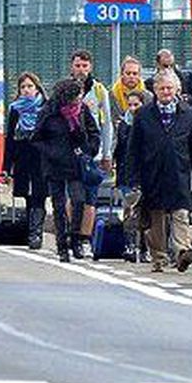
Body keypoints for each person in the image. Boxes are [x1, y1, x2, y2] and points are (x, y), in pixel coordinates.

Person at [126, 69, 192, 273]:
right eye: (162, 88)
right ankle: (159, 257)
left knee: (181, 212)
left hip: (179, 171)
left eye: (169, 88)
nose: (165, 92)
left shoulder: (187, 114)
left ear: (177, 89)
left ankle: (183, 251)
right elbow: (133, 148)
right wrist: (133, 177)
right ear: (154, 90)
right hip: (152, 173)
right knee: (156, 217)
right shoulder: (144, 114)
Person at [34, 78, 100, 263]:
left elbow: (94, 133)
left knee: (79, 200)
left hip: (75, 163)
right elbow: (36, 138)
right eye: (76, 96)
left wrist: (89, 150)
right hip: (54, 165)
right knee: (59, 205)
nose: (79, 99)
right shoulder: (48, 112)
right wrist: (52, 152)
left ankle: (76, 237)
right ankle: (62, 244)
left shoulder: (82, 111)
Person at [69, 50, 113, 252]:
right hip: (69, 153)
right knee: (72, 196)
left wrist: (106, 153)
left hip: (92, 153)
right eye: (78, 65)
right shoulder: (65, 89)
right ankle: (72, 233)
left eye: (85, 66)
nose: (81, 70)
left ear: (91, 67)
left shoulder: (99, 90)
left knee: (90, 197)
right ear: (72, 66)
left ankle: (85, 238)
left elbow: (107, 123)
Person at [2, 72, 46, 249]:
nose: (27, 90)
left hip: (41, 157)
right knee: (27, 195)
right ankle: (30, 230)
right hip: (22, 156)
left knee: (39, 195)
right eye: (23, 87)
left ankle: (36, 233)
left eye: (30, 86)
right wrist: (6, 166)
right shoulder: (15, 109)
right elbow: (10, 138)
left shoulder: (46, 107)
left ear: (37, 88)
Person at [113, 89, 148, 263]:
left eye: (137, 104)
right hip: (126, 174)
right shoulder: (123, 125)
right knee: (129, 211)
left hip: (146, 175)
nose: (133, 108)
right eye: (130, 104)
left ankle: (144, 248)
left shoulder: (149, 124)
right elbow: (120, 151)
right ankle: (130, 245)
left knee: (145, 213)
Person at [111, 56, 152, 121]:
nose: (131, 76)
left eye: (135, 73)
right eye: (128, 73)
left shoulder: (148, 97)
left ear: (139, 75)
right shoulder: (112, 95)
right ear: (122, 74)